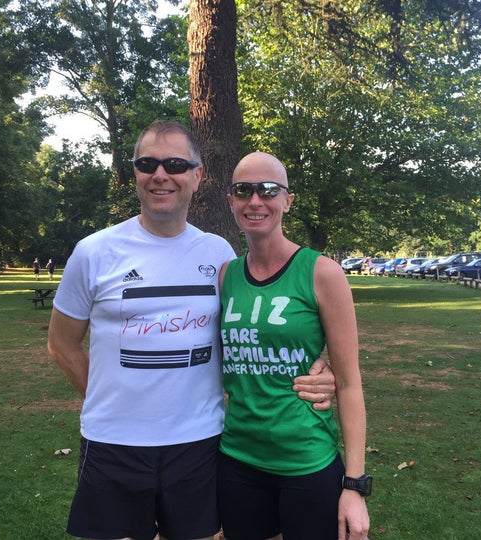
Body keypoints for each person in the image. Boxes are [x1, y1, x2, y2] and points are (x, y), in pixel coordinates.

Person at [47, 120, 337, 540]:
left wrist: (318, 365)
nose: (160, 174)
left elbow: (251, 331)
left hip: (198, 444)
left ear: (197, 176)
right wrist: (116, 402)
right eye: (148, 163)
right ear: (135, 173)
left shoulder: (218, 253)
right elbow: (61, 345)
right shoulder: (94, 252)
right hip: (114, 444)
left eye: (175, 164)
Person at [217, 151, 370, 540]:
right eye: (243, 190)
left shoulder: (322, 272)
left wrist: (355, 486)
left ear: (288, 200)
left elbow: (350, 384)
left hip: (306, 460)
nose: (255, 200)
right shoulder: (226, 276)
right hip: (237, 460)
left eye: (269, 190)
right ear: (231, 200)